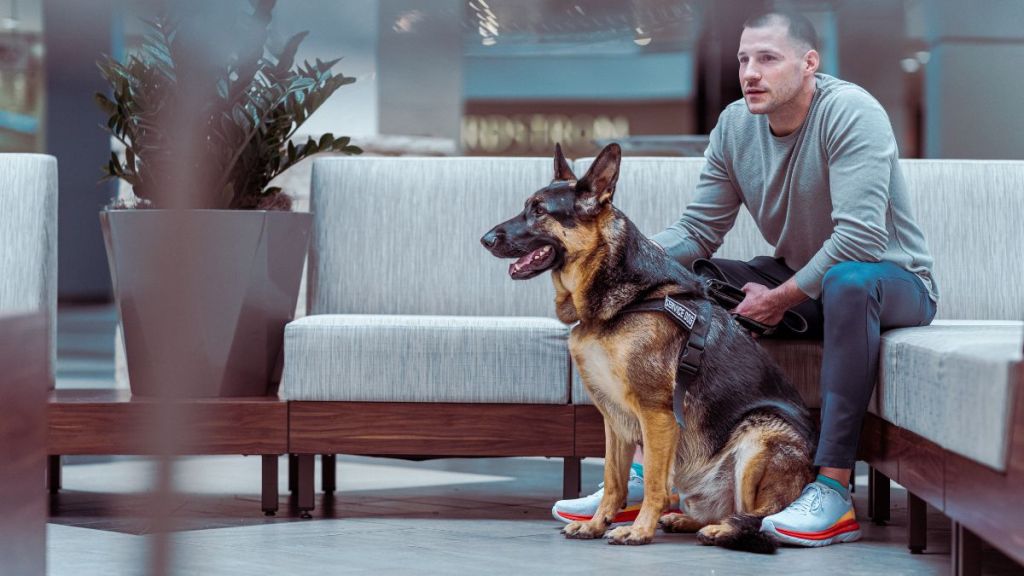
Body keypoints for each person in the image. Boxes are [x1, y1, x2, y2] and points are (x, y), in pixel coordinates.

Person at [552, 10, 937, 547]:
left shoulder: (851, 113)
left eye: (768, 58)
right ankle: (644, 478)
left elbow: (862, 241)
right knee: (687, 282)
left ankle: (831, 492)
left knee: (849, 281)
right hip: (805, 279)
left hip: (890, 282)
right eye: (743, 59)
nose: (750, 72)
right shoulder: (736, 124)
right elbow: (697, 230)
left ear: (809, 64)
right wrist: (618, 262)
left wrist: (781, 297)